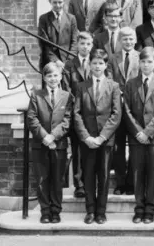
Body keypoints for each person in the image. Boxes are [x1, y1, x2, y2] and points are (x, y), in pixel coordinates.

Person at [73, 48, 122, 225]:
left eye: (101, 63)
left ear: (106, 65)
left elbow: (116, 114)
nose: (97, 66)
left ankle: (101, 211)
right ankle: (90, 210)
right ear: (89, 64)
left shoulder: (113, 86)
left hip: (105, 139)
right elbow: (76, 113)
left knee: (104, 176)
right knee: (88, 176)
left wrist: (102, 137)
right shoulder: (81, 86)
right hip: (87, 140)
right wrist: (86, 137)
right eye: (94, 63)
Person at [124, 47, 154, 224]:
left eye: (149, 61)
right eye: (143, 61)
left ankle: (150, 209)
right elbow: (126, 110)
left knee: (153, 173)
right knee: (137, 173)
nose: (146, 65)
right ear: (139, 63)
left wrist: (148, 132)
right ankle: (139, 207)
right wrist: (138, 132)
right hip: (136, 138)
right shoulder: (130, 84)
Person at [27, 62, 72, 224]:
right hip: (41, 145)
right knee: (43, 179)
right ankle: (45, 211)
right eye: (49, 75)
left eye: (55, 75)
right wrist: (45, 137)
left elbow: (67, 120)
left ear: (60, 77)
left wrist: (53, 136)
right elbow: (32, 118)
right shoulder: (36, 95)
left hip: (59, 145)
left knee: (57, 179)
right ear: (44, 78)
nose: (53, 79)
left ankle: (55, 211)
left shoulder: (67, 96)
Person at [106, 27, 141, 196]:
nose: (128, 41)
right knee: (119, 147)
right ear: (120, 40)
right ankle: (120, 182)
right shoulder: (113, 58)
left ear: (135, 40)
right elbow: (110, 79)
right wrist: (118, 94)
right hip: (118, 106)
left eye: (131, 38)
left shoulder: (141, 57)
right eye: (125, 38)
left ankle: (133, 182)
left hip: (135, 108)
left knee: (135, 146)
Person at [61, 31, 94, 198]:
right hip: (77, 112)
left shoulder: (96, 62)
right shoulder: (69, 65)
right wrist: (78, 107)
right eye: (82, 44)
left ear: (92, 45)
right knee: (78, 149)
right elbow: (66, 89)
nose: (85, 47)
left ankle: (91, 182)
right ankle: (79, 184)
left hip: (94, 113)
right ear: (77, 45)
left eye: (88, 44)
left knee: (93, 148)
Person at [37, 0, 79, 72]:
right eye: (54, 2)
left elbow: (75, 41)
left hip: (68, 62)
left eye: (60, 2)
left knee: (68, 85)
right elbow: (44, 43)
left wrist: (69, 60)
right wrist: (56, 60)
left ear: (64, 1)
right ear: (50, 1)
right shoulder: (44, 19)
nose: (58, 5)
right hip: (50, 62)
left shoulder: (71, 19)